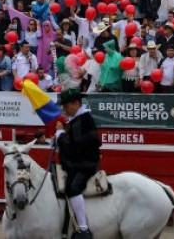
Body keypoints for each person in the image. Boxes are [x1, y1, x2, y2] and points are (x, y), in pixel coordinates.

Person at [56, 88, 101, 239]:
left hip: (85, 164)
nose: (64, 109)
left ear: (76, 103)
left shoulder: (83, 120)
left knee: (72, 187)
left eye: (66, 105)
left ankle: (83, 229)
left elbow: (75, 146)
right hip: (80, 162)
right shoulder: (78, 120)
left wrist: (60, 135)